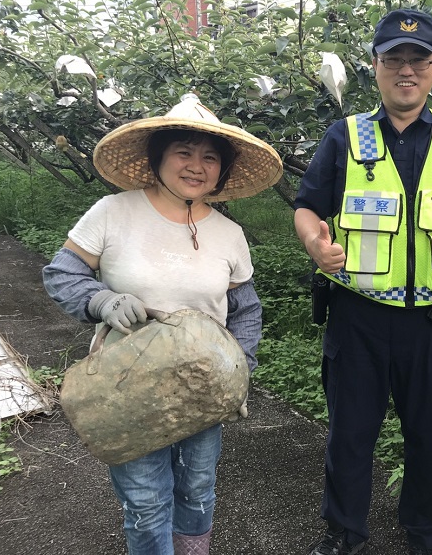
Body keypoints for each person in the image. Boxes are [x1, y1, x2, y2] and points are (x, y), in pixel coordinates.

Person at [294, 8, 432, 555]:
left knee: (429, 440)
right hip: (358, 319)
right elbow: (307, 206)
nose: (406, 71)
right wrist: (316, 246)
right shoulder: (344, 136)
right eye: (394, 59)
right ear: (376, 67)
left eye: (418, 60)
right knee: (350, 438)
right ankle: (344, 533)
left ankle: (425, 534)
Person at [42, 94, 282, 555]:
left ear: (223, 169)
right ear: (158, 157)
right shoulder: (114, 211)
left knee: (196, 489)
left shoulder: (229, 235)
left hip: (203, 386)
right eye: (184, 152)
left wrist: (240, 369)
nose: (197, 166)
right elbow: (62, 273)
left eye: (210, 157)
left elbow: (245, 311)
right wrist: (101, 299)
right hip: (127, 385)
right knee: (147, 501)